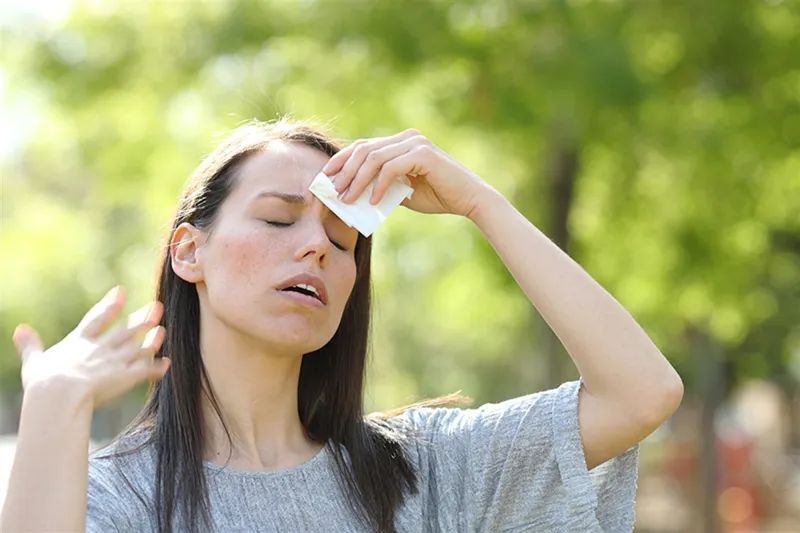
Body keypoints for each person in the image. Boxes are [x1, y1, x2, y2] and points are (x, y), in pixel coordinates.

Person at [1, 119, 683, 533]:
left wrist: (479, 203)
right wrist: (54, 404)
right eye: (277, 218)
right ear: (189, 251)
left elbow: (641, 392)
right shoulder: (115, 496)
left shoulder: (420, 468)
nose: (317, 247)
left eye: (343, 236)